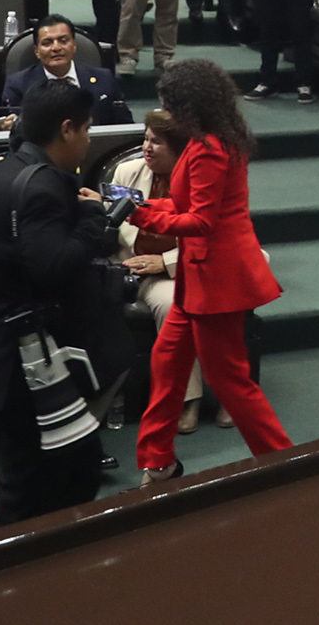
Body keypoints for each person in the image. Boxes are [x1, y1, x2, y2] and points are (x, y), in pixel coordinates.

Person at [0, 81, 128, 526]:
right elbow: (53, 267)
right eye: (87, 128)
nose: (89, 139)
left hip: (18, 351)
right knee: (28, 487)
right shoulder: (43, 186)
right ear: (66, 129)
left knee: (72, 470)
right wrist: (95, 222)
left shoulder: (2, 171)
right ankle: (3, 566)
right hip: (32, 364)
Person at [131, 62, 290, 486]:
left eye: (169, 103)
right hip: (198, 278)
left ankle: (286, 465)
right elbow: (185, 207)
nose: (165, 111)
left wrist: (142, 215)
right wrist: (138, 206)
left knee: (230, 380)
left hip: (218, 281)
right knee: (167, 363)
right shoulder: (212, 140)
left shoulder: (210, 149)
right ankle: (158, 462)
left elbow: (199, 221)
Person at [110, 112, 210, 434]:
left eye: (157, 142)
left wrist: (165, 262)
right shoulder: (127, 172)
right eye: (146, 139)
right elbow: (113, 226)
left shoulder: (199, 182)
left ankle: (188, 400)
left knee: (173, 303)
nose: (147, 148)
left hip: (178, 271)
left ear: (179, 150)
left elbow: (208, 239)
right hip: (130, 264)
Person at [2, 13, 131, 123]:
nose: (56, 48)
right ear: (37, 51)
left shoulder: (104, 79)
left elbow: (124, 126)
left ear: (74, 45)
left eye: (63, 41)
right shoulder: (18, 85)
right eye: (47, 43)